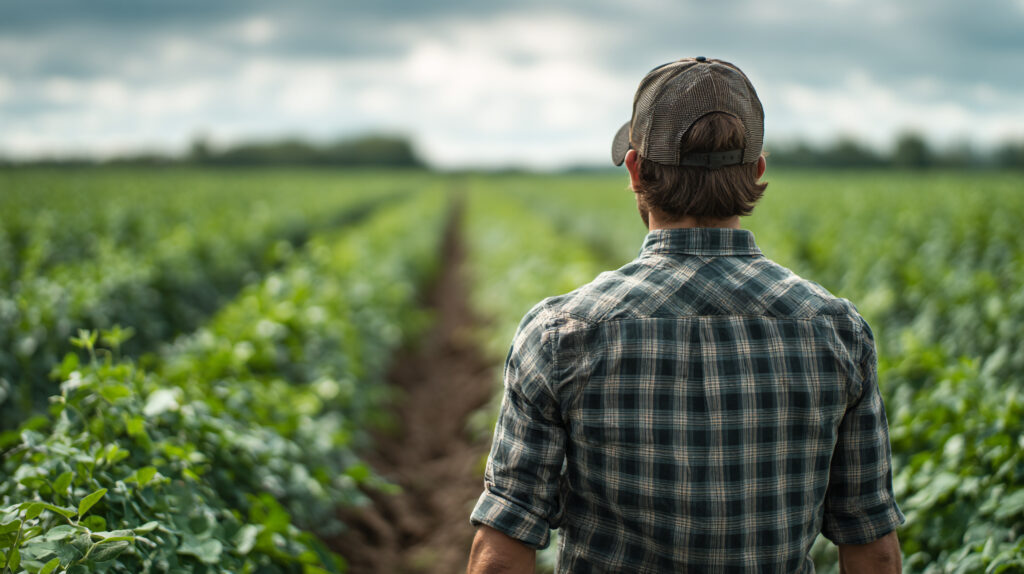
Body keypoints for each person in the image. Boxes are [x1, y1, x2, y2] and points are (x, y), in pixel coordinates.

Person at [466, 57, 904, 573]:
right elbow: (873, 551)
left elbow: (502, 553)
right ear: (758, 170)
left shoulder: (560, 335)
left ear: (635, 170)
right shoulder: (837, 332)